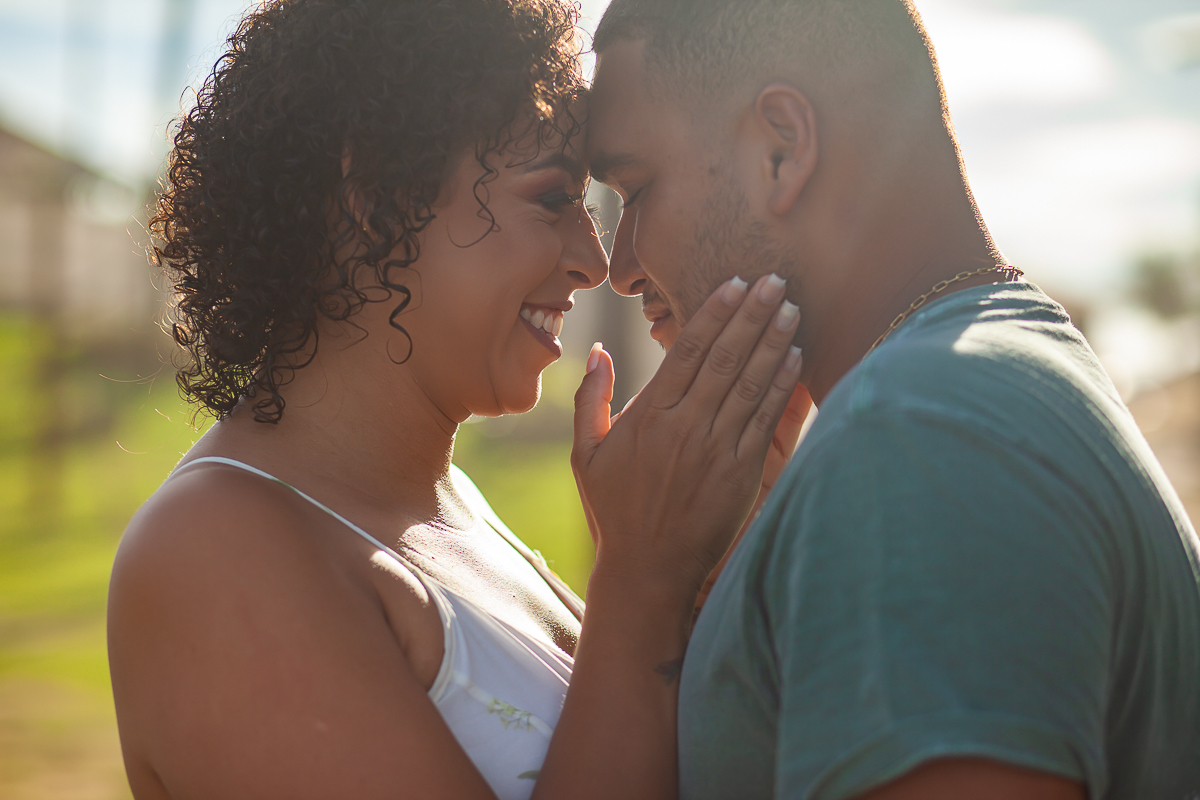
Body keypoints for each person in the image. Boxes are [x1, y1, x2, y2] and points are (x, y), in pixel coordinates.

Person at [107, 1, 807, 799]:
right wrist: (642, 577)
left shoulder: (449, 508)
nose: (594, 260)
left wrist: (703, 576)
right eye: (552, 199)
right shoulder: (211, 554)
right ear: (376, 195)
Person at [581, 0, 1200, 798]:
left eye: (634, 191)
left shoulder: (917, 439)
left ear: (781, 148)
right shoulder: (984, 386)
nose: (619, 266)